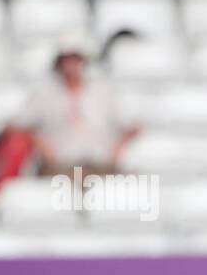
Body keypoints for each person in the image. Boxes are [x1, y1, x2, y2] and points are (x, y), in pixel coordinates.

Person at [16, 33, 139, 178]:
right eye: (66, 59)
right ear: (58, 62)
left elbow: (132, 126)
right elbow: (17, 127)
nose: (70, 64)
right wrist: (39, 142)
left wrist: (117, 148)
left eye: (75, 58)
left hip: (99, 165)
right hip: (59, 168)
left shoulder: (103, 91)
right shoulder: (44, 94)